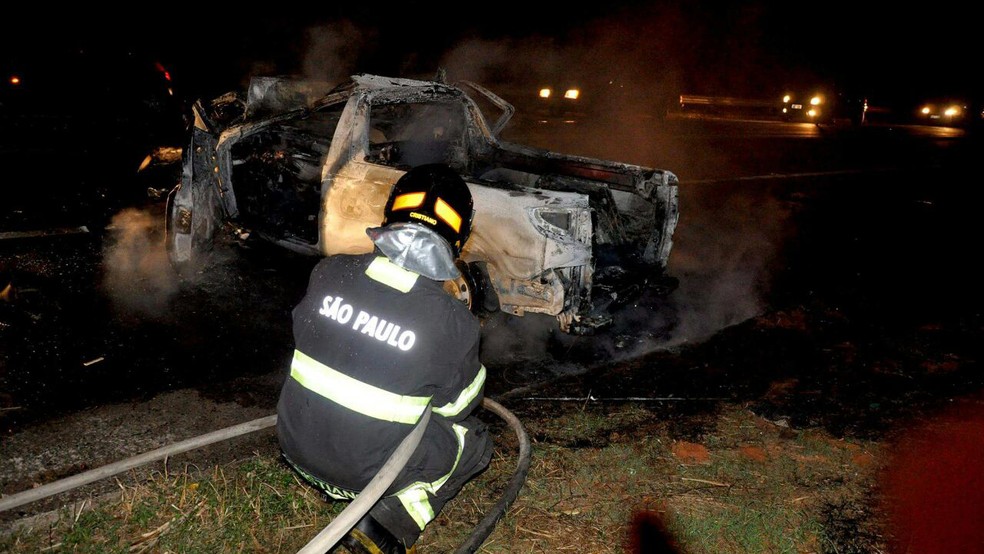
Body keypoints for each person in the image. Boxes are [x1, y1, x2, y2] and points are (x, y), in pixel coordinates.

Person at [276, 163, 493, 554]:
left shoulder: (329, 271)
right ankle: (391, 523)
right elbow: (459, 405)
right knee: (474, 442)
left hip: (294, 447)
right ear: (458, 240)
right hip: (364, 479)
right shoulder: (453, 321)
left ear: (388, 216)